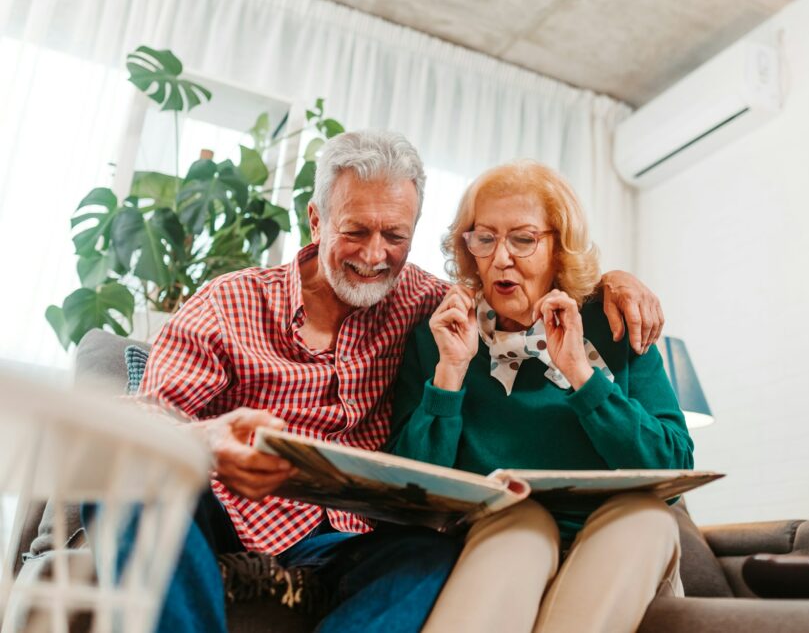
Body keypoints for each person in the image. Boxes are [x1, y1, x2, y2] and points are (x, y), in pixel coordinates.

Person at [131, 130, 666, 632]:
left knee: (431, 554)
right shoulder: (230, 303)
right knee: (129, 476)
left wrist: (615, 283)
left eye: (394, 235)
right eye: (355, 231)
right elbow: (140, 420)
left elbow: (521, 281)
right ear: (317, 221)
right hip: (237, 519)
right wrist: (209, 439)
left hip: (354, 539)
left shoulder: (431, 307)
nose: (373, 255)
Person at [386, 160, 694, 633]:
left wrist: (581, 373)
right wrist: (450, 373)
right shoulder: (441, 335)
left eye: (523, 239)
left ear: (559, 249)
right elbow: (413, 494)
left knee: (646, 518)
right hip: (504, 529)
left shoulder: (613, 321)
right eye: (484, 238)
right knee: (520, 524)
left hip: (620, 531)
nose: (501, 258)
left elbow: (672, 464)